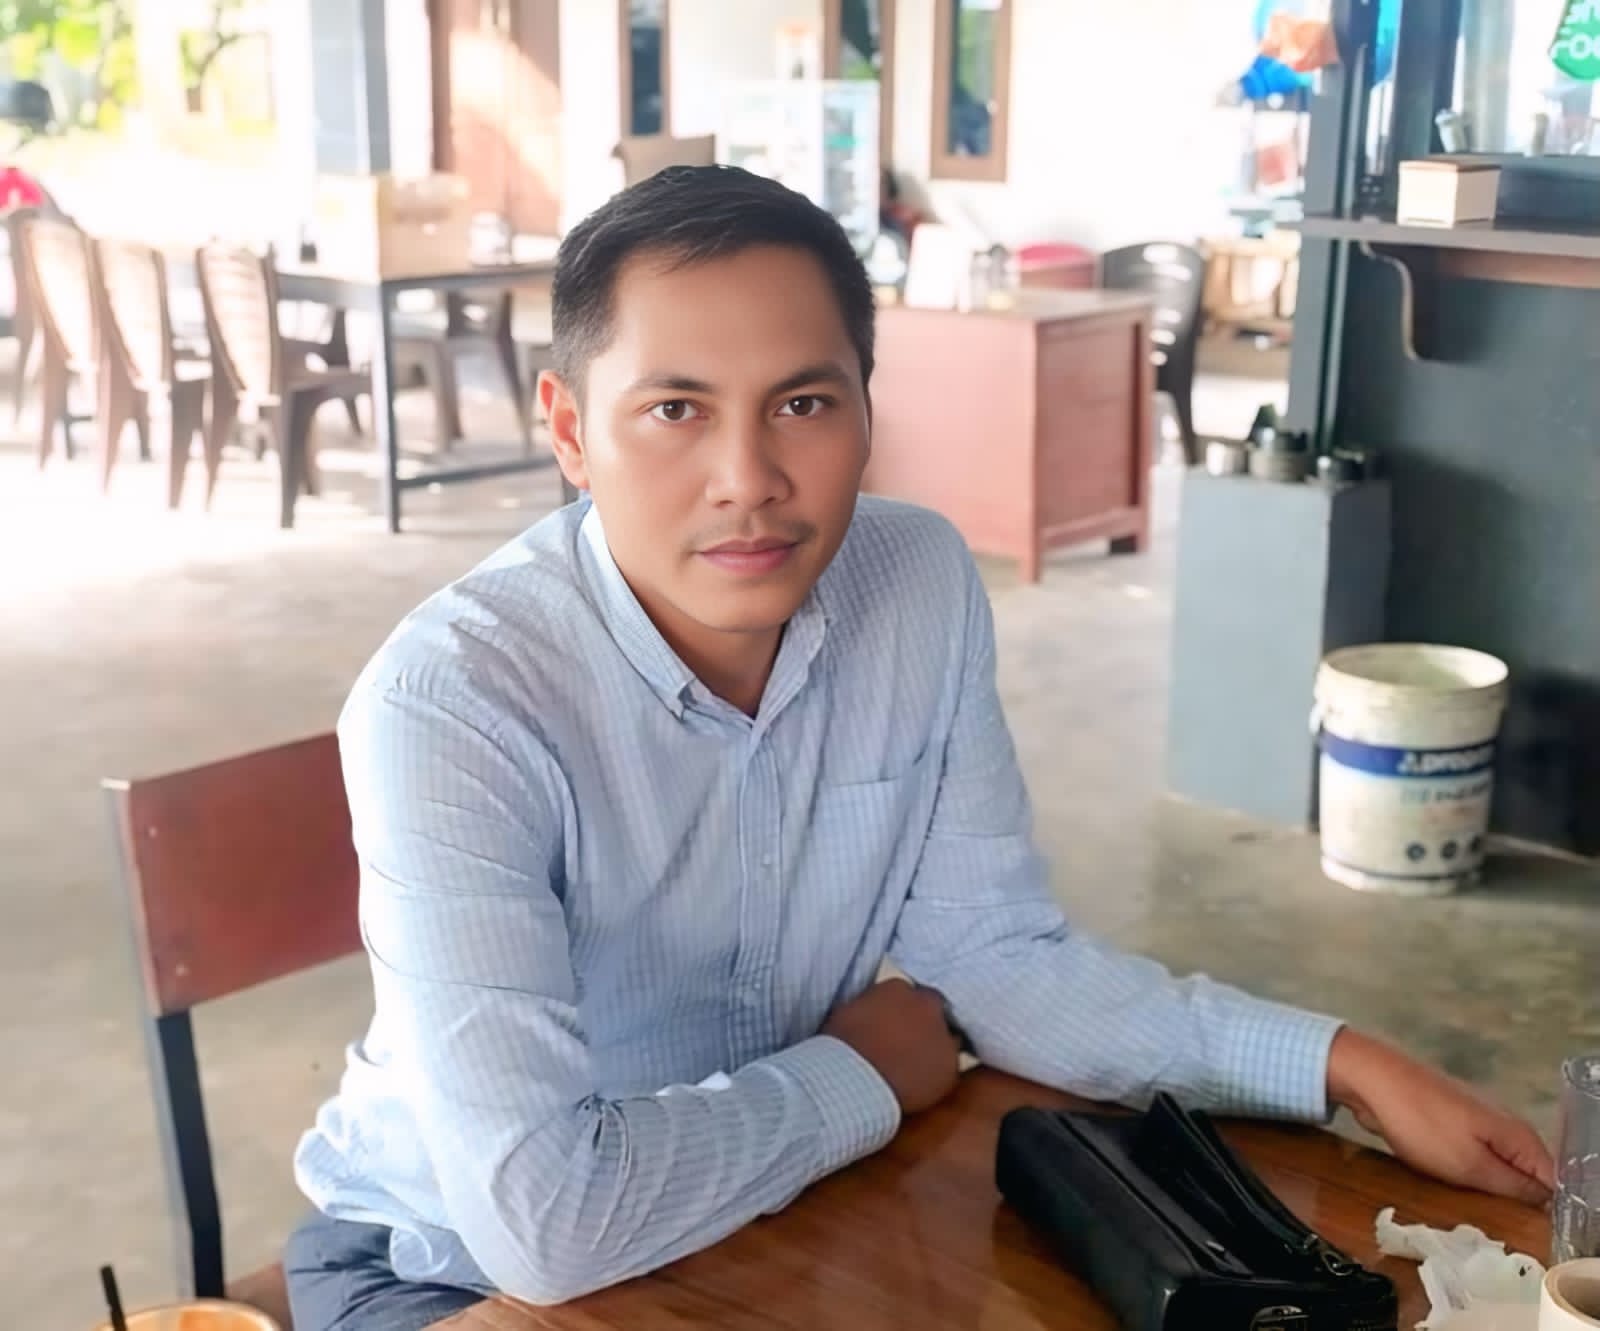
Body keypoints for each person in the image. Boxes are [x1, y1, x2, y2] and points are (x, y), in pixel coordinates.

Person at [286, 166, 1554, 1331]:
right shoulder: (456, 704)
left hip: (757, 1202)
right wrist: (861, 1072)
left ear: (864, 408)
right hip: (448, 1269)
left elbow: (995, 959)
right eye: (674, 408)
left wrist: (1344, 1064)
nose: (747, 476)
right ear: (569, 429)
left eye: (802, 402)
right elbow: (546, 1219)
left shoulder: (917, 583)